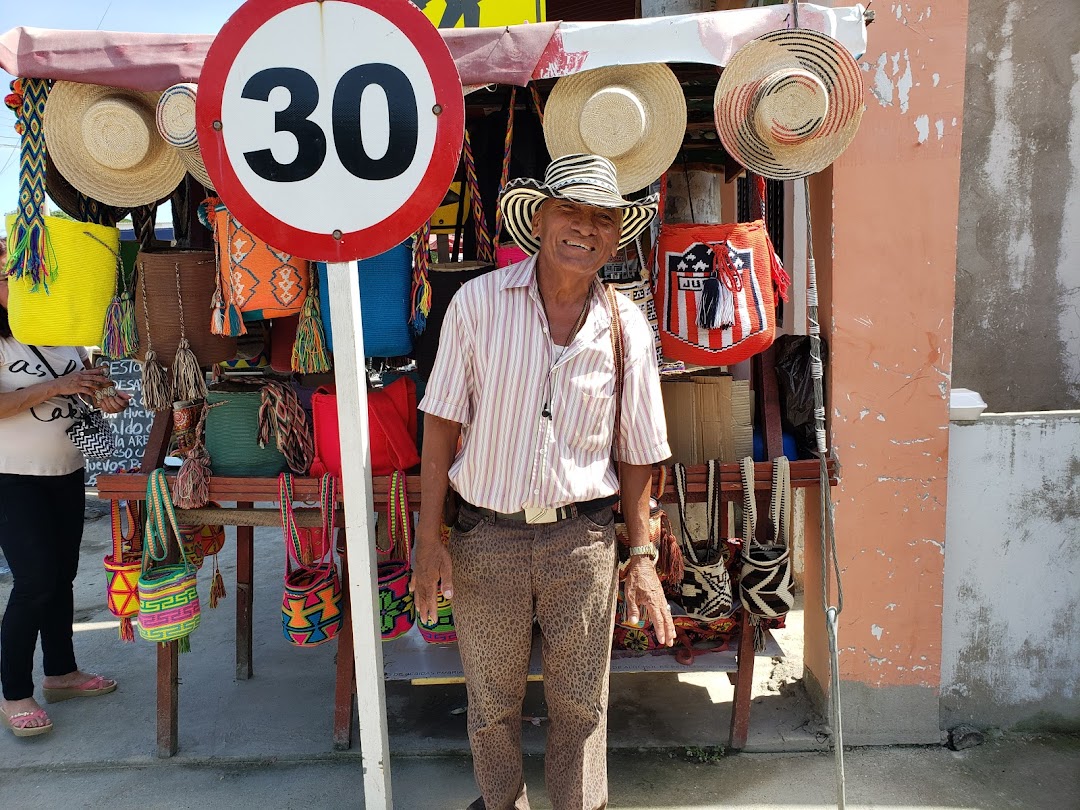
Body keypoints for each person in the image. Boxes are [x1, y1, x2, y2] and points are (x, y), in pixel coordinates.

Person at [412, 154, 674, 810]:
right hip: (485, 541)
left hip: (581, 545)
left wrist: (641, 556)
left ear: (617, 235)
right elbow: (441, 427)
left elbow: (639, 455)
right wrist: (428, 541)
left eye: (602, 219)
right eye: (571, 211)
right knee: (491, 706)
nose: (585, 229)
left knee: (582, 709)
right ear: (539, 220)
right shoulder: (477, 305)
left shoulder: (627, 328)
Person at [0, 237, 131, 738]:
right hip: (13, 476)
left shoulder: (60, 334)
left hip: (67, 470)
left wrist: (102, 395)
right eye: (11, 278)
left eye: (30, 276)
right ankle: (14, 693)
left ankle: (61, 672)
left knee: (63, 576)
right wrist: (56, 387)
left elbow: (81, 389)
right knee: (34, 583)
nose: (23, 285)